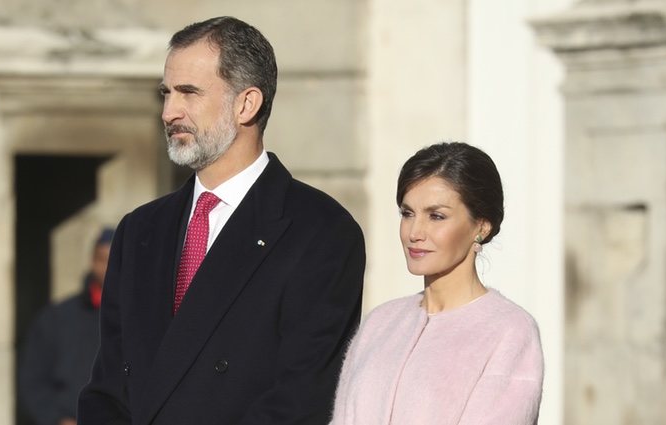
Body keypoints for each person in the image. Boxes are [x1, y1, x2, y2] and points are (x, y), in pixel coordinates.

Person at [77, 16, 366, 425]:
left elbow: (301, 400)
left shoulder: (320, 232)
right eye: (166, 93)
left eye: (188, 93)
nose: (168, 112)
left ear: (247, 103)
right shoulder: (140, 231)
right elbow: (107, 389)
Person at [330, 142, 543, 425]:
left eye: (436, 216)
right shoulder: (380, 323)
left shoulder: (509, 331)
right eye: (407, 214)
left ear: (481, 226)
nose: (415, 232)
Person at [19, 228, 114, 425]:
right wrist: (57, 419)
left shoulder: (138, 315)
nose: (108, 268)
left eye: (115, 260)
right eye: (103, 259)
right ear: (92, 262)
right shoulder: (57, 318)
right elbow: (33, 381)